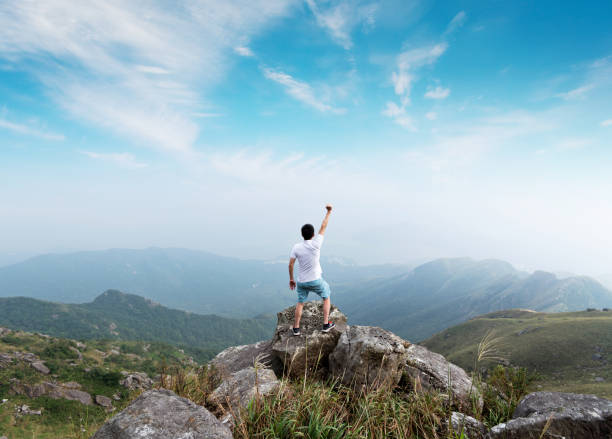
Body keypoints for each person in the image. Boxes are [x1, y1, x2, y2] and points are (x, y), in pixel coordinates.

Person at [288, 204, 336, 336]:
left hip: (302, 282)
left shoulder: (296, 247)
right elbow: (323, 226)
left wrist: (291, 279)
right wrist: (329, 212)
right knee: (326, 297)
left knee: (300, 303)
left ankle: (296, 328)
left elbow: (291, 264)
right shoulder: (316, 244)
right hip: (315, 280)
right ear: (313, 234)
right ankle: (326, 324)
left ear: (302, 235)